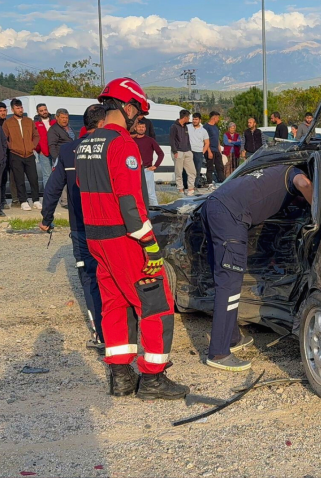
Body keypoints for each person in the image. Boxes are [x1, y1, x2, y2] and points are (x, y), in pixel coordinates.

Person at [75, 77, 188, 399]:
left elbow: (84, 190)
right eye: (138, 116)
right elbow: (129, 202)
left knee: (115, 305)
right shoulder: (122, 144)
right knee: (155, 304)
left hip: (96, 238)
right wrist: (150, 244)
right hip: (124, 238)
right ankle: (153, 378)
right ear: (127, 107)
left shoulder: (87, 143)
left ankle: (121, 377)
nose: (138, 122)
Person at [201, 164, 313, 370]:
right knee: (229, 284)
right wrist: (316, 207)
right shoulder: (295, 174)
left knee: (226, 282)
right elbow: (304, 184)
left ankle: (232, 338)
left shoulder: (276, 170)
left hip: (214, 205)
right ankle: (218, 352)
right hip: (230, 215)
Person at [40, 104, 107, 350]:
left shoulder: (68, 150)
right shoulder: (111, 146)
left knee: (90, 278)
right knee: (112, 275)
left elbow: (53, 188)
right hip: (111, 227)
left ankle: (102, 334)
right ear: (101, 124)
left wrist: (46, 219)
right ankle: (124, 332)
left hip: (80, 227)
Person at [3, 98, 42, 211]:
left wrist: (32, 146)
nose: (20, 110)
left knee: (33, 178)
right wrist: (12, 147)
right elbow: (4, 138)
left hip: (29, 154)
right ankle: (23, 201)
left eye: (21, 108)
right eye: (17, 108)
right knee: (19, 180)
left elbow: (36, 136)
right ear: (12, 109)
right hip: (16, 155)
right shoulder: (8, 123)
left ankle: (36, 200)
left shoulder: (29, 121)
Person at [132, 119, 164, 206]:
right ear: (135, 128)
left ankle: (156, 213)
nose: (141, 129)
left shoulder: (150, 140)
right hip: (134, 170)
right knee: (135, 193)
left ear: (145, 129)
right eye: (139, 127)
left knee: (151, 194)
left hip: (147, 170)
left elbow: (161, 154)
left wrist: (155, 166)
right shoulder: (131, 140)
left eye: (143, 127)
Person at [48, 108, 75, 208]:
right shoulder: (54, 129)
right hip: (60, 159)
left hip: (71, 158)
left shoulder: (69, 128)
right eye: (62, 117)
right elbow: (52, 145)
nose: (65, 120)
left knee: (70, 180)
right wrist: (56, 159)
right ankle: (64, 201)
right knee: (62, 181)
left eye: (66, 118)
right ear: (57, 118)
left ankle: (69, 200)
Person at [0, 102, 16, 209]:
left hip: (12, 154)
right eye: (0, 111)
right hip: (1, 155)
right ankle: (1, 200)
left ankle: (15, 199)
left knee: (13, 178)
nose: (3, 113)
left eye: (4, 111)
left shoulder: (10, 122)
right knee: (1, 179)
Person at [170, 109, 195, 196]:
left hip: (187, 151)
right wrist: (175, 151)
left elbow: (187, 139)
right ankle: (180, 189)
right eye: (188, 117)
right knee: (179, 171)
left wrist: (190, 150)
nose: (189, 119)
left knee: (192, 171)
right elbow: (172, 140)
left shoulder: (185, 126)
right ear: (184, 117)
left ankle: (191, 189)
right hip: (178, 151)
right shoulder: (174, 127)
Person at [34, 103, 55, 191]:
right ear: (38, 112)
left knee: (57, 174)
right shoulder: (36, 123)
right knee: (47, 175)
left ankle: (58, 197)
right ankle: (48, 196)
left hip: (55, 152)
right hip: (44, 153)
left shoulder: (54, 121)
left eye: (45, 110)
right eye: (41, 111)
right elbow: (34, 138)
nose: (44, 112)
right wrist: (39, 150)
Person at [187, 112, 210, 190]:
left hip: (198, 152)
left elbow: (207, 143)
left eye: (196, 119)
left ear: (200, 120)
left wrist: (202, 152)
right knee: (187, 170)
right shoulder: (187, 127)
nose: (194, 121)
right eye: (193, 119)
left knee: (197, 170)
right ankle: (186, 186)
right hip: (189, 151)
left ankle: (195, 186)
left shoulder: (203, 131)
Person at [203, 111, 224, 188]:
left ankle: (222, 181)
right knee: (210, 167)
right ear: (214, 117)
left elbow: (217, 139)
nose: (218, 119)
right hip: (210, 149)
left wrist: (219, 150)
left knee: (220, 167)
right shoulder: (206, 127)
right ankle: (209, 182)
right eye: (218, 117)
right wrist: (208, 151)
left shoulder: (216, 127)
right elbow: (205, 140)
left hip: (216, 150)